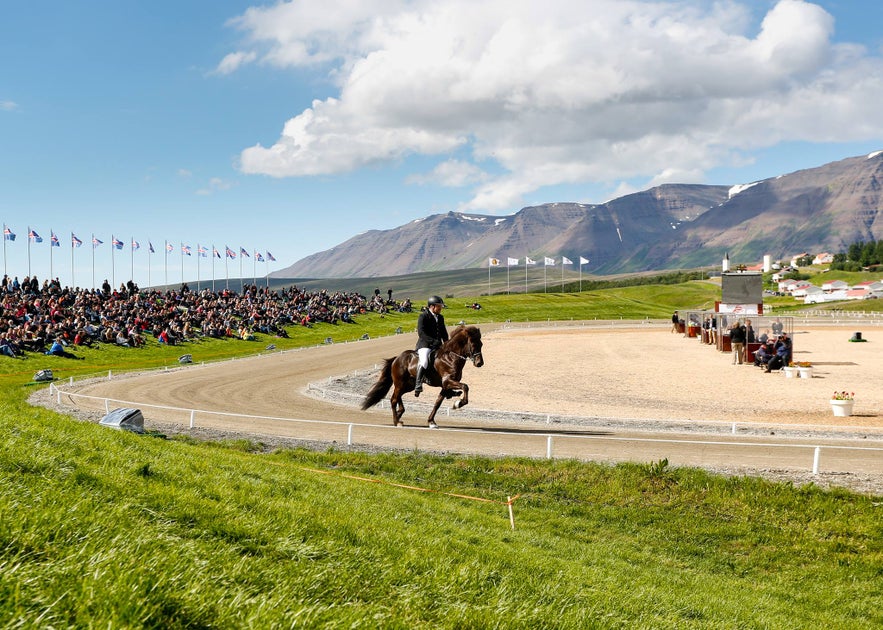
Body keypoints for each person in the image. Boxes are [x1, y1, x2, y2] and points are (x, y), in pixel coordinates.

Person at [414, 295, 449, 397]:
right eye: (439, 306)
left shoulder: (440, 317)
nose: (441, 308)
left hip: (437, 345)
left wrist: (447, 344)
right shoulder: (423, 316)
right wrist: (433, 341)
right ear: (432, 306)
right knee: (424, 361)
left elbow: (443, 332)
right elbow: (421, 333)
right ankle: (418, 384)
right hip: (425, 344)